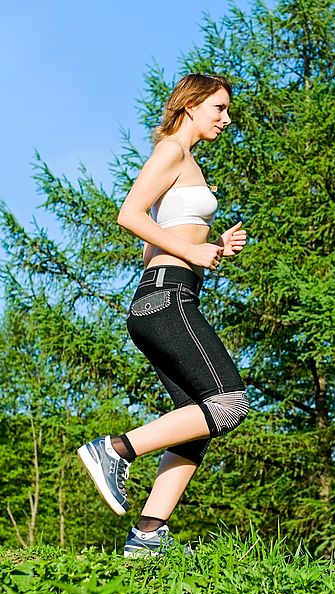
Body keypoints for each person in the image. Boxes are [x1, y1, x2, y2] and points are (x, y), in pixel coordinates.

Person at [77, 73, 249, 558]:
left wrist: (214, 248)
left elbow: (160, 235)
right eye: (219, 107)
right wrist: (194, 255)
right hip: (166, 298)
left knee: (199, 420)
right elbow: (129, 215)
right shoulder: (172, 150)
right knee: (230, 403)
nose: (226, 117)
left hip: (165, 297)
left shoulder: (186, 161)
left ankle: (148, 535)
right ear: (191, 105)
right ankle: (114, 449)